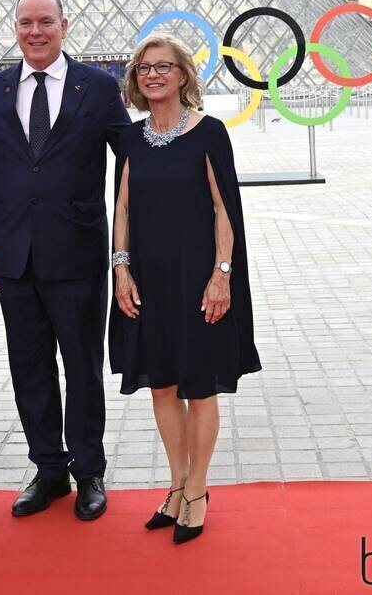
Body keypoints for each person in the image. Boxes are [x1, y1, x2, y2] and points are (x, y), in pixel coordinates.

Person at [0, 0, 130, 521]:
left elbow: (130, 167)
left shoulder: (101, 88)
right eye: (25, 23)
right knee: (30, 369)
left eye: (45, 22)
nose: (35, 32)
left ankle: (89, 471)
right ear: (14, 27)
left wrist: (130, 250)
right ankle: (48, 469)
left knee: (83, 368)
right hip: (14, 259)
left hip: (79, 254)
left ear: (65, 25)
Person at [108, 34, 261, 544]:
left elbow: (225, 209)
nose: (153, 75)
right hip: (148, 279)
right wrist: (121, 270)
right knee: (162, 384)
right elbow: (122, 208)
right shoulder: (129, 139)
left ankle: (197, 490)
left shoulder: (210, 133)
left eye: (163, 67)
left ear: (183, 75)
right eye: (144, 68)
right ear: (135, 79)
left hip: (198, 278)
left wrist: (223, 274)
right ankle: (175, 485)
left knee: (199, 384)